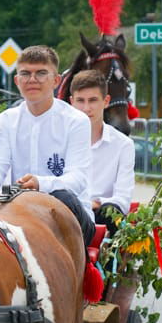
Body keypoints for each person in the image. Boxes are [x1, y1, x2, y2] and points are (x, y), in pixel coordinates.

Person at [0, 45, 95, 244]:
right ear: (17, 81)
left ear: (56, 80)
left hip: (69, 212)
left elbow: (78, 179)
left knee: (62, 196)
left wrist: (40, 183)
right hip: (19, 202)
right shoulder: (7, 118)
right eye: (25, 73)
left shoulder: (76, 120)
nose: (32, 80)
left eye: (41, 73)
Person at [69, 70, 135, 236]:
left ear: (106, 101)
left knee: (111, 213)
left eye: (93, 100)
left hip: (102, 216)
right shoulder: (60, 141)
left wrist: (95, 203)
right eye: (80, 101)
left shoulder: (123, 145)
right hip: (68, 214)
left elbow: (123, 198)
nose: (86, 108)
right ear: (71, 102)